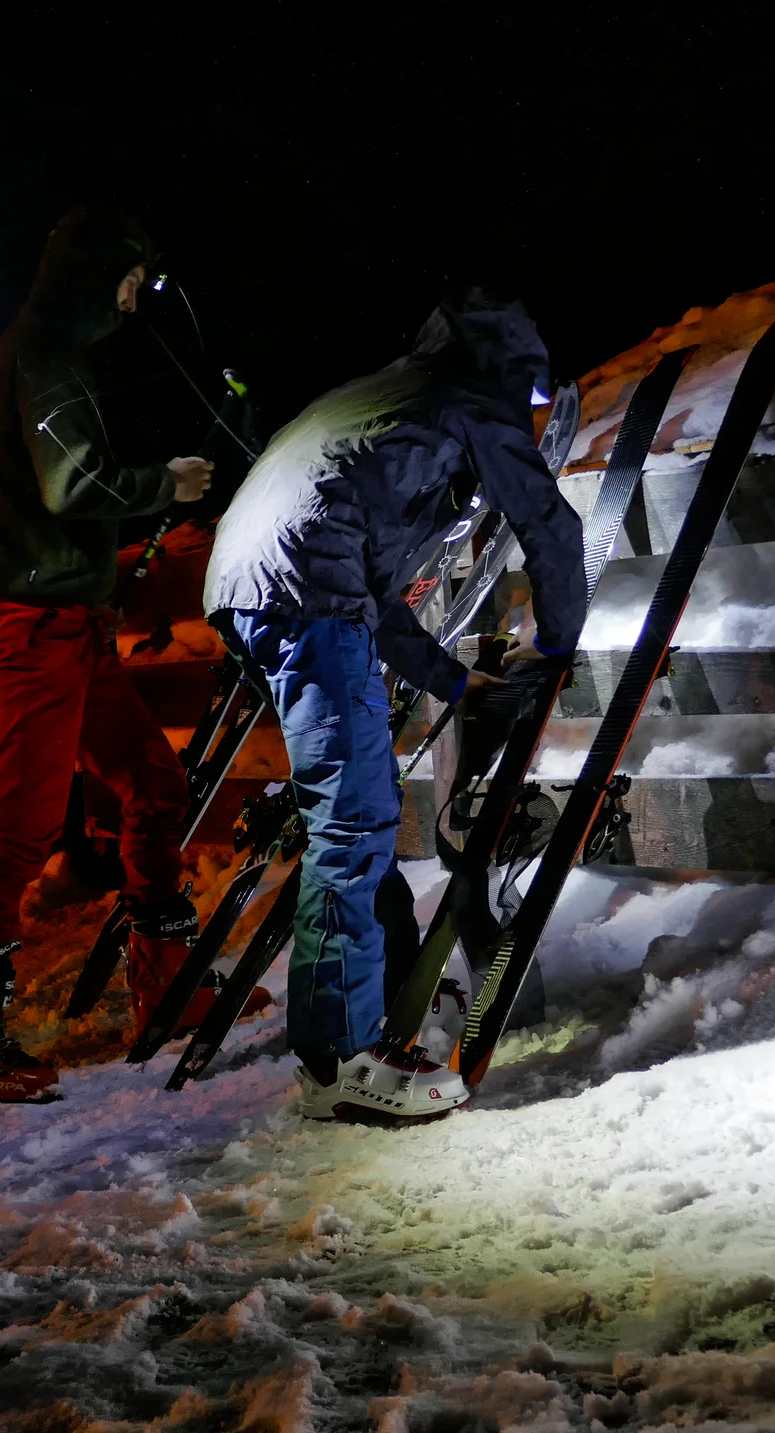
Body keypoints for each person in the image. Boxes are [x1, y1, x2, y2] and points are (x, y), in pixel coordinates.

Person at [204, 287, 587, 1123]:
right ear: (515, 373)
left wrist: (456, 682)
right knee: (354, 821)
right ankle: (342, 1056)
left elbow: (377, 589)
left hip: (253, 585)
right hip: (305, 585)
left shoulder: (390, 394)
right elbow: (547, 525)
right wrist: (558, 639)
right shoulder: (475, 394)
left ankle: (354, 1021)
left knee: (348, 816)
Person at [0, 205, 240, 1103]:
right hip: (30, 622)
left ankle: (168, 987)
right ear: (92, 274)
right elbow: (71, 483)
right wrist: (166, 486)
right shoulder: (44, 357)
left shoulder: (55, 355)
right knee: (25, 820)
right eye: (131, 280)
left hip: (67, 616)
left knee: (152, 784)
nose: (138, 300)